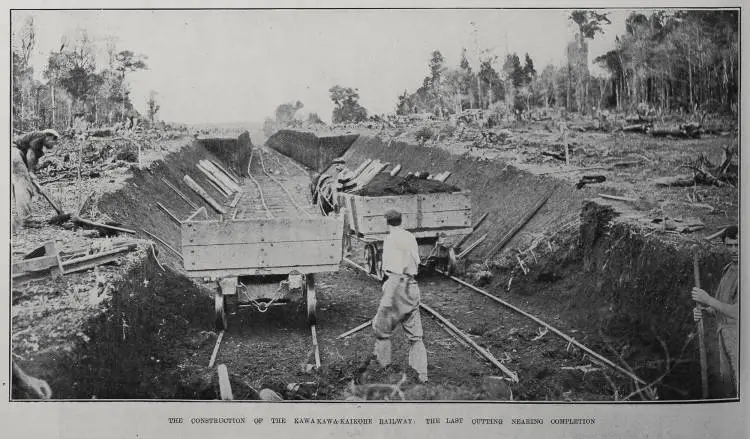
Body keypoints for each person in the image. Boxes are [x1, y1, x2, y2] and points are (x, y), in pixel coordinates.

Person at [369, 209, 428, 383]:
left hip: (397, 288)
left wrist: (387, 301)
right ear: (401, 221)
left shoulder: (390, 240)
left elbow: (395, 271)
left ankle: (383, 370)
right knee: (416, 336)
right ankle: (421, 374)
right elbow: (416, 261)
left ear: (386, 222)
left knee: (381, 330)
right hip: (412, 287)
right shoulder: (410, 236)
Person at [692, 225, 739, 398]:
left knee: (740, 384)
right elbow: (720, 307)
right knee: (726, 382)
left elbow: (738, 312)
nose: (733, 250)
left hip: (740, 339)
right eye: (729, 245)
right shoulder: (728, 270)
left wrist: (707, 299)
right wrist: (704, 310)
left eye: (737, 245)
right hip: (724, 335)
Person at [11, 129, 60, 229]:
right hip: (14, 153)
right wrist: (30, 172)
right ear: (48, 136)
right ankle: (26, 221)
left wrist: (44, 165)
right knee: (24, 187)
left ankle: (20, 219)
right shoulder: (40, 136)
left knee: (17, 187)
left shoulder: (36, 145)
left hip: (12, 155)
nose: (54, 142)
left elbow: (33, 163)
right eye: (54, 139)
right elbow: (30, 155)